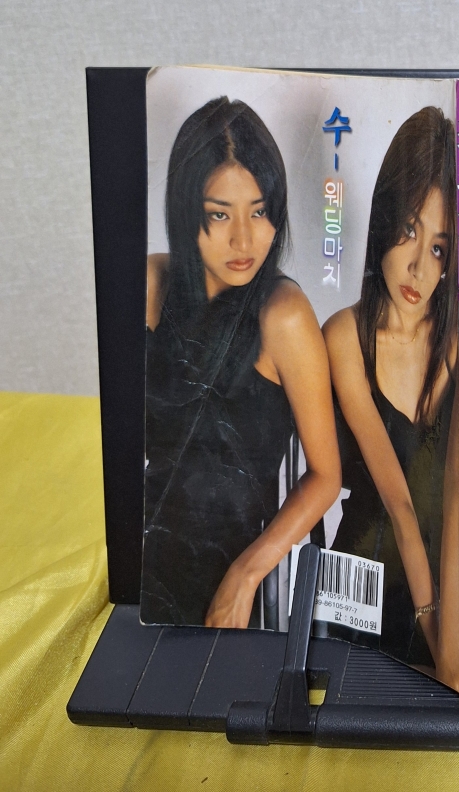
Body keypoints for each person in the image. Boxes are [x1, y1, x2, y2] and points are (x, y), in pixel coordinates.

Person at [142, 97, 342, 630]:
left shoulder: (284, 316)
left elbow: (326, 476)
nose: (244, 239)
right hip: (142, 563)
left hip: (232, 583)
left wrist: (245, 576)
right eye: (219, 214)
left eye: (258, 211)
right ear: (185, 211)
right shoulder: (151, 286)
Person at [323, 107, 459, 683]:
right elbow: (400, 507)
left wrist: (456, 631)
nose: (418, 268)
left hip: (450, 590)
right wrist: (438, 636)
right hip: (366, 584)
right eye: (408, 230)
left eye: (439, 248)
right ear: (383, 219)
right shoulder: (344, 337)